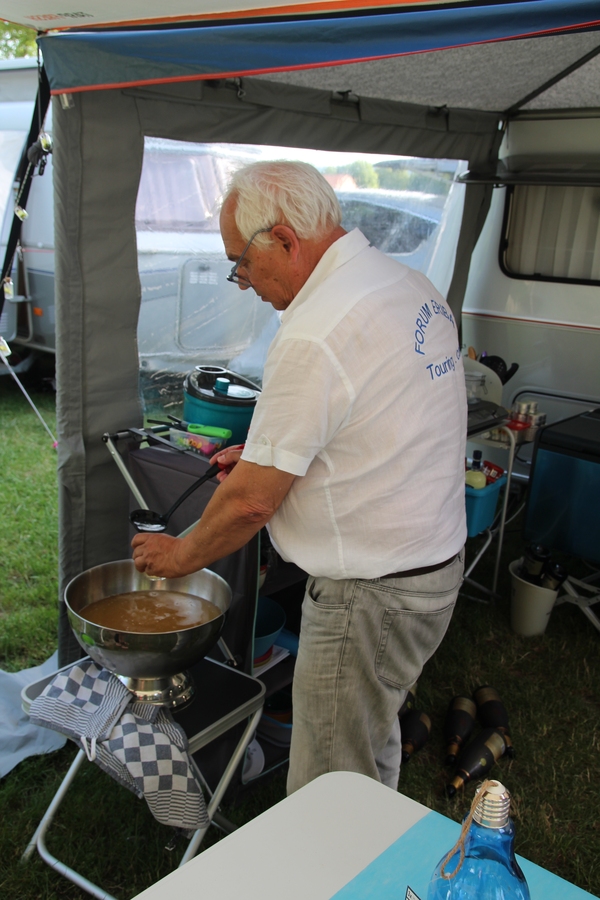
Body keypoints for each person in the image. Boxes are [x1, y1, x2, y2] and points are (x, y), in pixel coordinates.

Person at [132, 160, 467, 794]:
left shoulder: (318, 329)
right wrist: (264, 453)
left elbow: (252, 505)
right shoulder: (406, 284)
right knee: (368, 744)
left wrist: (179, 556)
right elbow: (378, 420)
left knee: (333, 789)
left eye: (240, 262)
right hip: (429, 569)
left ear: (284, 241)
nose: (239, 281)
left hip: (373, 593)